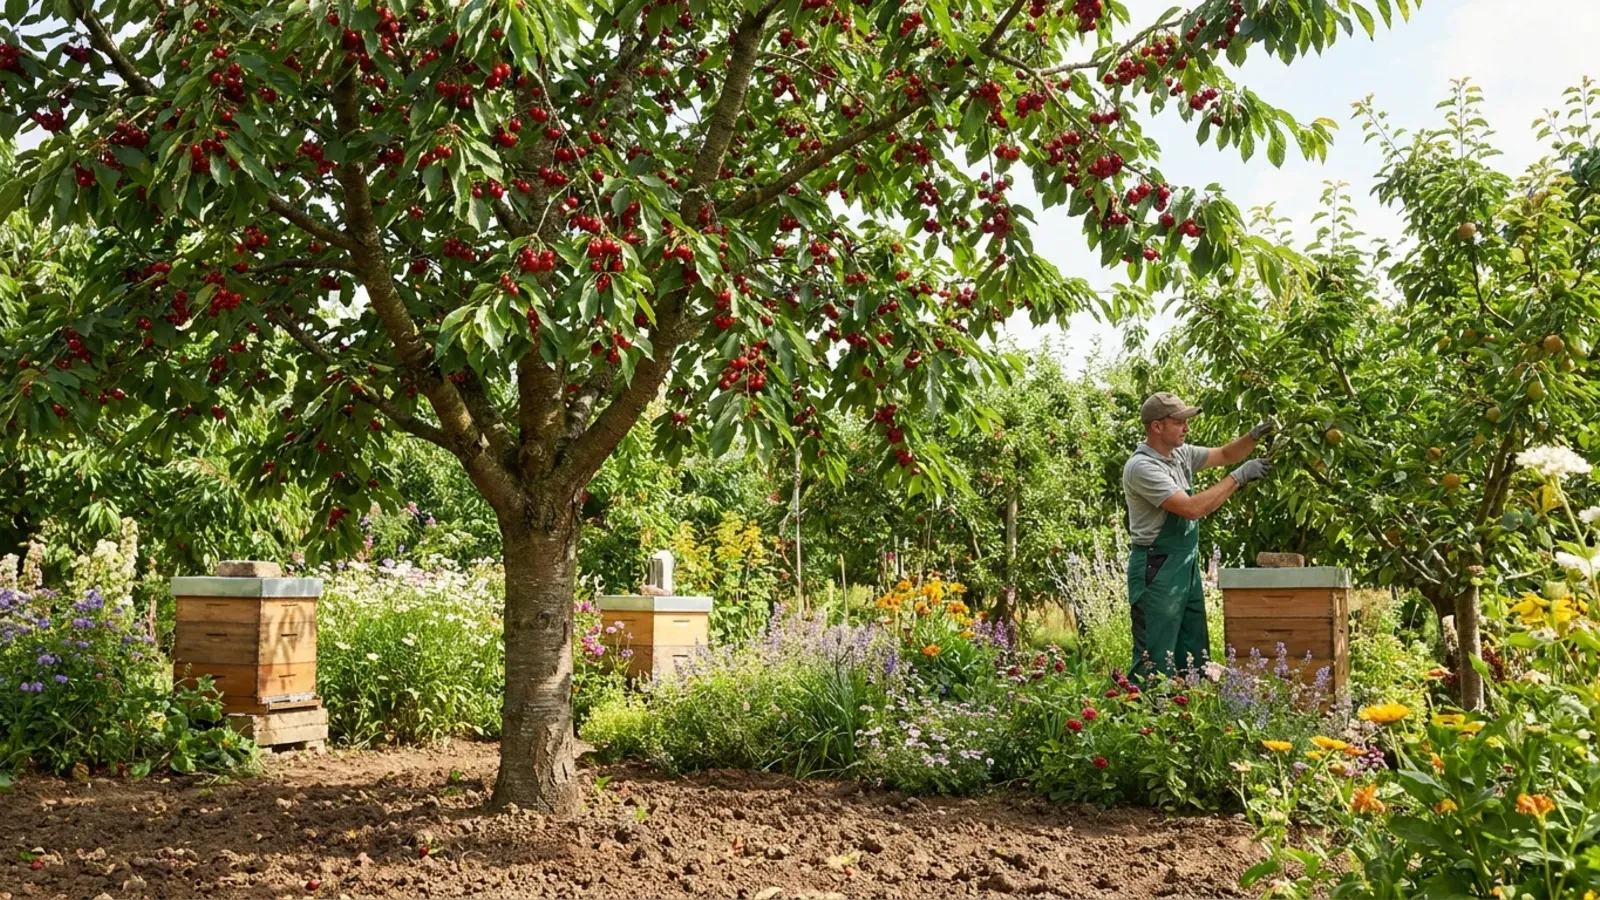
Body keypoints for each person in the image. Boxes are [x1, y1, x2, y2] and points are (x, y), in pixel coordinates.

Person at [1123, 392, 1271, 681]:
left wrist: (1253, 437)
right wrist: (1238, 478)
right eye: (1179, 422)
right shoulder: (1143, 467)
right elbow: (1191, 509)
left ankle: (1184, 713)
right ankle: (1143, 718)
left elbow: (1226, 454)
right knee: (1154, 654)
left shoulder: (1180, 454)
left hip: (1183, 567)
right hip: (1157, 567)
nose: (1186, 428)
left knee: (1191, 648)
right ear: (1156, 427)